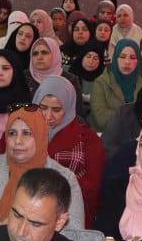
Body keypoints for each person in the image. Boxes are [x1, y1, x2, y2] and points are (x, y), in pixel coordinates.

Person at [0, 106, 85, 228]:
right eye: (12, 133)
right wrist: (8, 229)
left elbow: (74, 233)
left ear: (41, 136)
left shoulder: (65, 179)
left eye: (26, 133)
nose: (18, 141)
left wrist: (29, 232)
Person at [33, 76, 104, 226]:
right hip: (27, 210)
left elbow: (94, 191)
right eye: (43, 107)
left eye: (56, 109)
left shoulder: (87, 140)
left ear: (69, 108)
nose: (48, 116)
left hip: (70, 216)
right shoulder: (22, 132)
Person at [87, 38, 142, 133]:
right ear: (115, 58)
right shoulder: (101, 82)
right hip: (104, 135)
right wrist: (133, 119)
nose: (127, 62)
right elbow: (101, 118)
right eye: (122, 56)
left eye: (133, 57)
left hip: (136, 136)